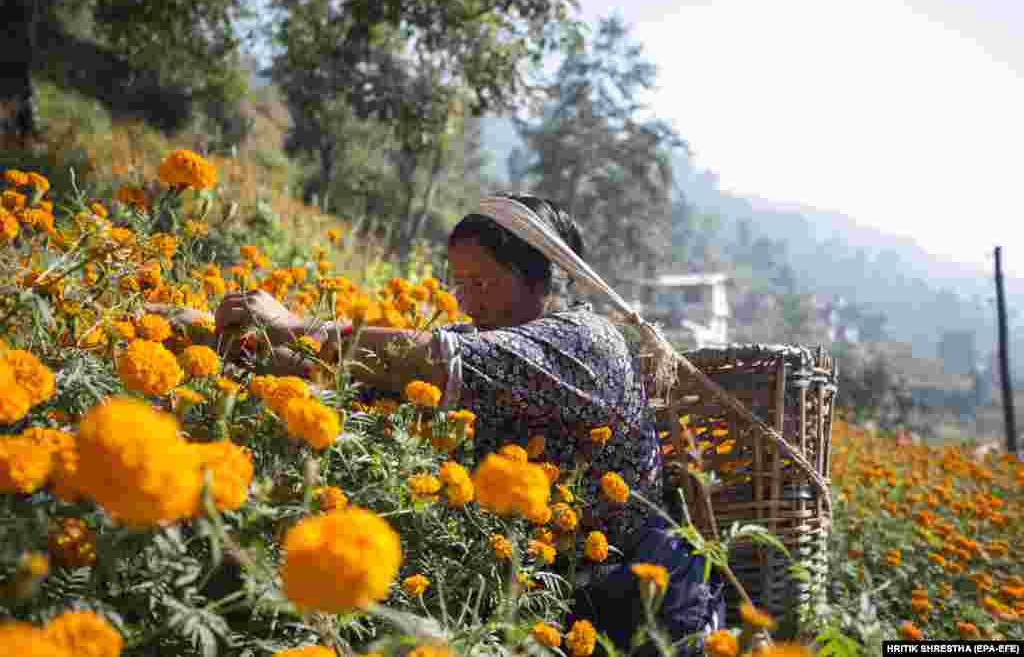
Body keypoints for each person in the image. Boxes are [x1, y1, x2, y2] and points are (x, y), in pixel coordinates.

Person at [153, 194, 724, 655]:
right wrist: (212, 336)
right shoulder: (500, 338)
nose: (467, 302)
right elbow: (365, 371)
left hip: (632, 608)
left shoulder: (583, 340)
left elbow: (427, 357)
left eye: (482, 284)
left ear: (540, 281)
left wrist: (290, 324)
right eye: (460, 283)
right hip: (549, 592)